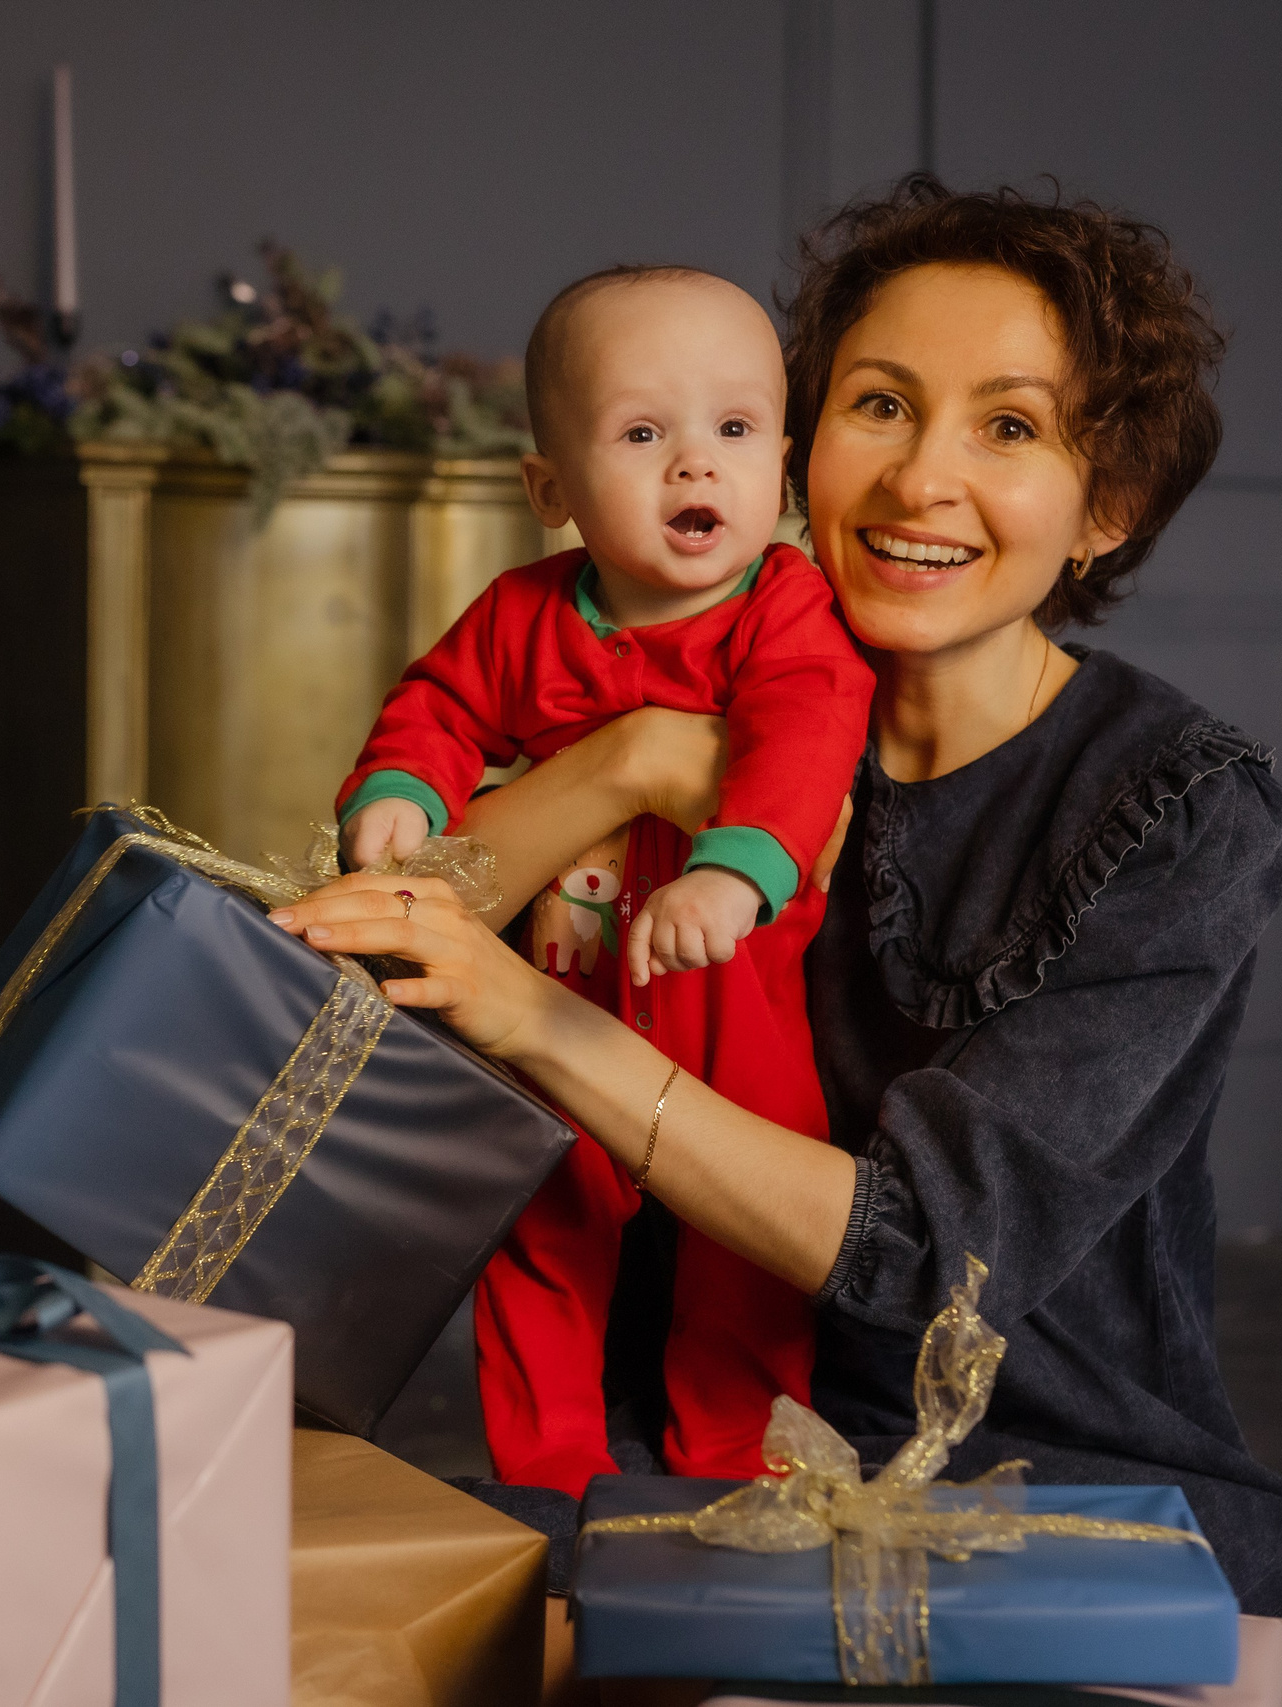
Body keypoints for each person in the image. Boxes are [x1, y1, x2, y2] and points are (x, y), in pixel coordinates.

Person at [273, 178, 1282, 1641]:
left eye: (1009, 428)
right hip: (672, 1442)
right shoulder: (676, 657)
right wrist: (631, 760)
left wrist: (536, 1008)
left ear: (1107, 507)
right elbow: (389, 920)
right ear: (800, 441)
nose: (918, 482)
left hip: (1022, 1469)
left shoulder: (1177, 807)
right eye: (880, 405)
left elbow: (923, 1256)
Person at [333, 268, 873, 1491]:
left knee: (739, 1222)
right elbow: (436, 705)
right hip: (560, 985)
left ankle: (738, 1450)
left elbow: (806, 731)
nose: (697, 467)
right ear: (552, 490)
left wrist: (733, 875)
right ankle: (550, 1468)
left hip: (729, 996)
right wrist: (400, 793)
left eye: (733, 431)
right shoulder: (522, 613)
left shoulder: (781, 609)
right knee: (541, 1220)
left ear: (781, 465)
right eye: (643, 435)